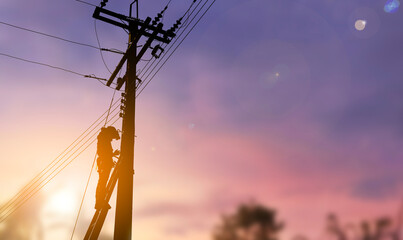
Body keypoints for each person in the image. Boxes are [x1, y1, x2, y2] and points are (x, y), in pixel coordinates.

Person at [95, 126, 120, 210]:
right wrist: (112, 155)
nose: (112, 140)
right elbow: (103, 153)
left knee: (102, 181)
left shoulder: (103, 138)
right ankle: (100, 202)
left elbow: (105, 153)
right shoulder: (104, 139)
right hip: (103, 163)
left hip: (104, 162)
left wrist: (113, 154)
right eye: (112, 137)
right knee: (102, 181)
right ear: (109, 133)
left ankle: (100, 201)